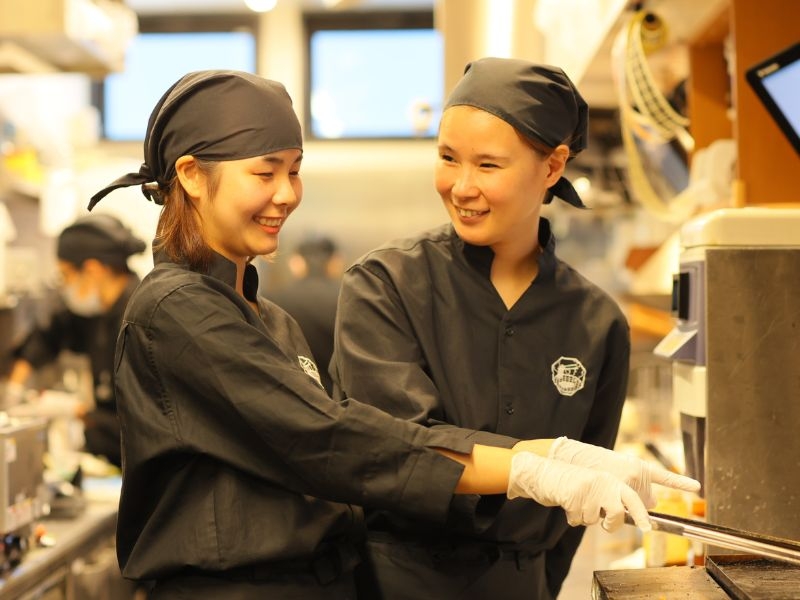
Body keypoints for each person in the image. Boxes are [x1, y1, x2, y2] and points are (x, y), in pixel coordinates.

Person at [86, 69, 699, 600]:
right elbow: (332, 441)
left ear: (553, 168)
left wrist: (555, 457)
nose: (286, 195)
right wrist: (527, 467)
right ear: (191, 175)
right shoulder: (175, 310)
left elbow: (345, 446)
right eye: (264, 173)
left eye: (294, 172)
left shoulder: (268, 319)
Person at [329, 57, 639, 600]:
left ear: (552, 166)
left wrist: (535, 583)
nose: (461, 187)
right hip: (393, 580)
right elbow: (395, 446)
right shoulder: (387, 285)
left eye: (488, 166)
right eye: (448, 158)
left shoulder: (596, 321)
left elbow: (581, 500)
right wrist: (530, 468)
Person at [5, 213, 145, 468]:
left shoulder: (141, 319)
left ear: (91, 270)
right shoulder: (98, 314)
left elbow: (143, 423)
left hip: (141, 469)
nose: (64, 287)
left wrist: (77, 411)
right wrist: (13, 391)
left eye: (66, 276)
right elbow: (50, 333)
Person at [267, 234, 343, 394]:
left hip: (295, 399)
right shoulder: (348, 299)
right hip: (342, 403)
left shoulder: (271, 301)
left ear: (296, 263)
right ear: (336, 262)